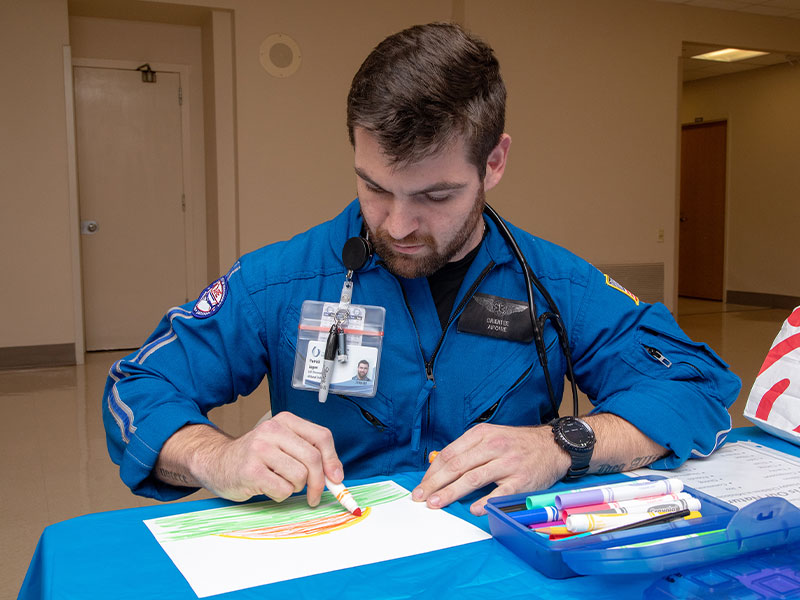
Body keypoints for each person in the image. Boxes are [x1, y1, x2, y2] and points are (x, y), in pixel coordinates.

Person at [103, 22, 741, 516]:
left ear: (493, 163)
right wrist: (218, 457)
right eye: (374, 188)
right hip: (334, 553)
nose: (397, 224)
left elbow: (694, 384)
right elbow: (136, 386)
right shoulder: (281, 281)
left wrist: (562, 443)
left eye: (435, 197)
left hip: (495, 562)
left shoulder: (555, 284)